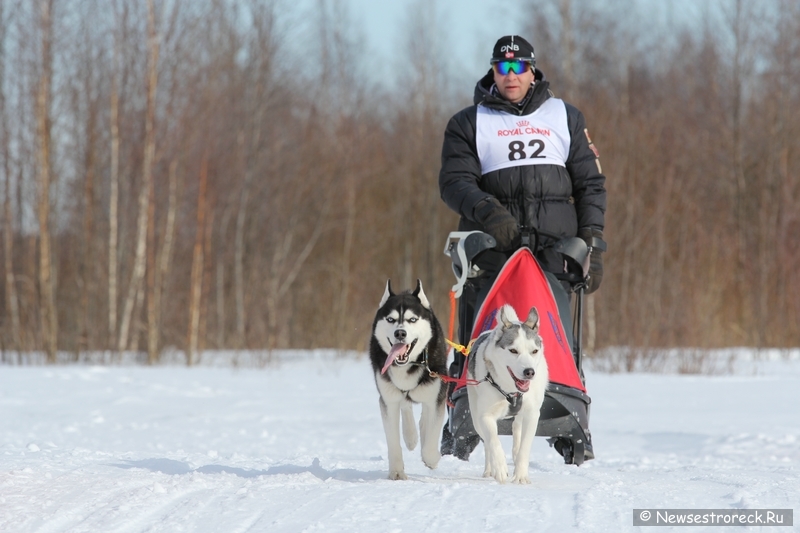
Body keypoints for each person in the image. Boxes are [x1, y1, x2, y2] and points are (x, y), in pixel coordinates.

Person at [438, 35, 607, 459]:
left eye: (518, 68)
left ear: (532, 71)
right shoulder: (468, 122)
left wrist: (593, 244)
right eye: (502, 67)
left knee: (549, 338)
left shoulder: (564, 116)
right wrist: (488, 212)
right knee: (487, 339)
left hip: (554, 250)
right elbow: (454, 181)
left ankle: (568, 418)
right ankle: (467, 416)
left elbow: (590, 184)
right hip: (495, 252)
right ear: (492, 71)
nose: (510, 76)